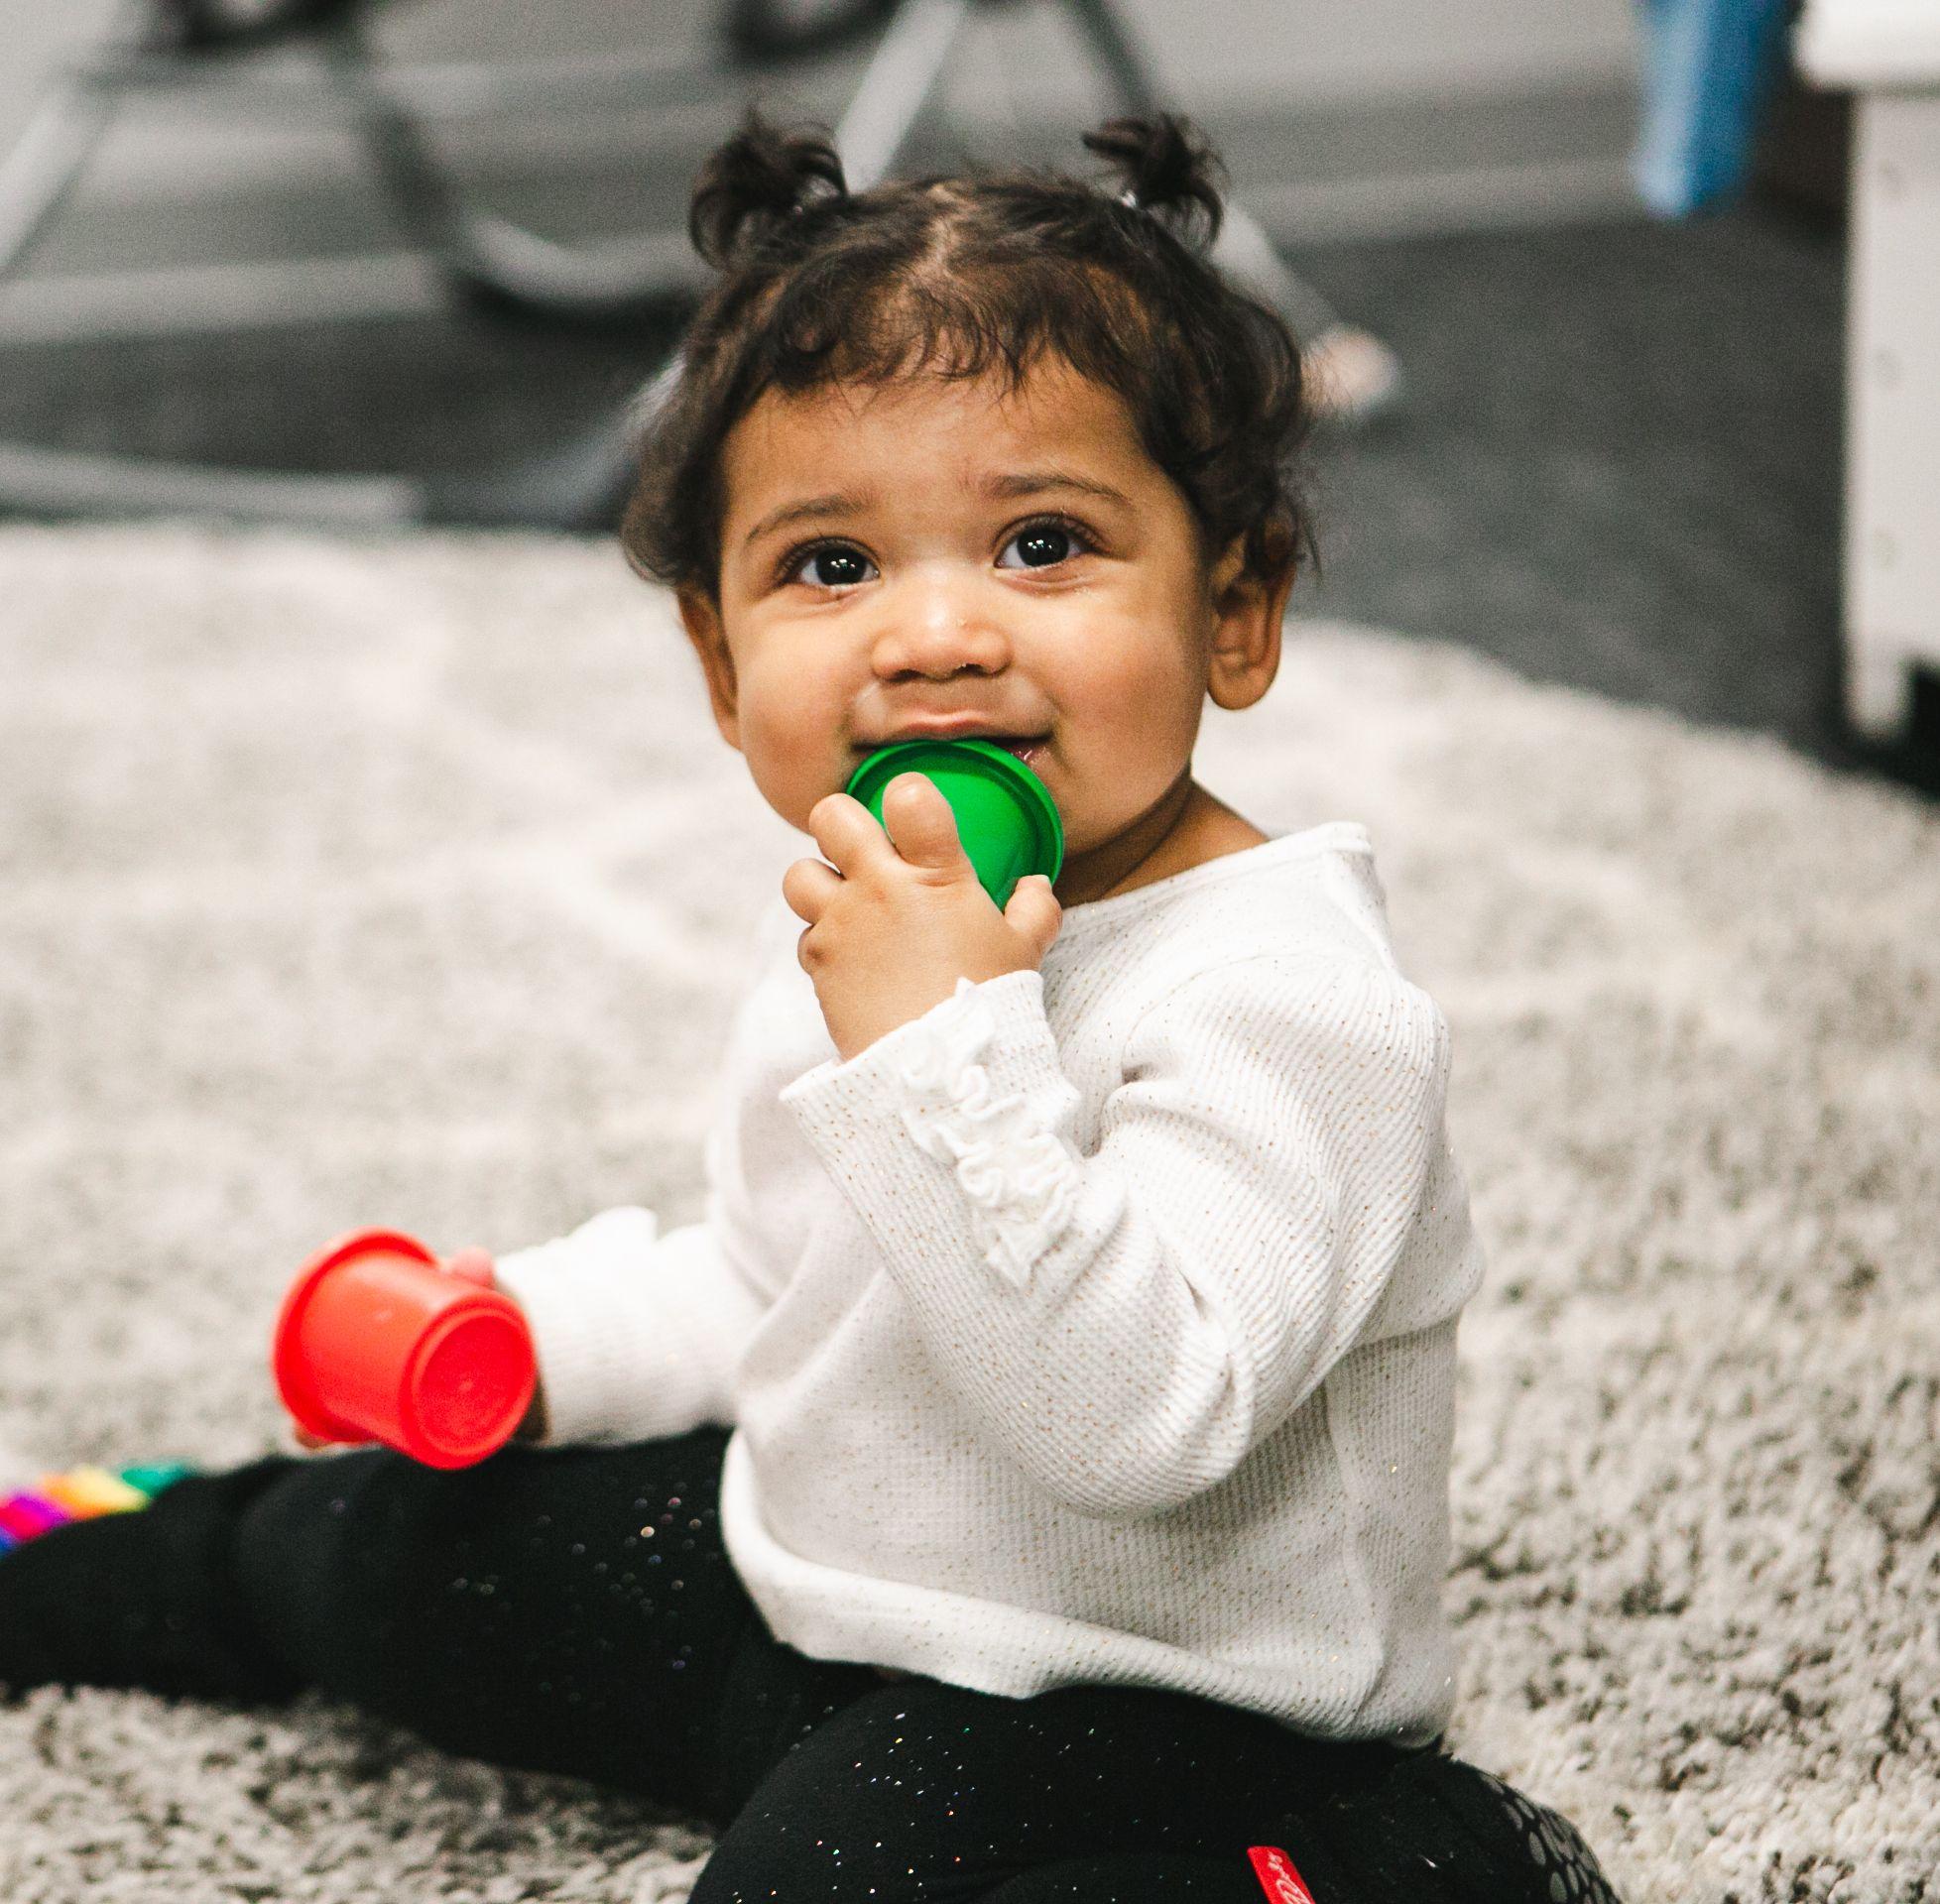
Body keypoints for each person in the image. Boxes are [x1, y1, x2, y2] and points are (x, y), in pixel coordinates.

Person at [0, 112, 1625, 1904]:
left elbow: (1147, 1426)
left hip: (1164, 1699)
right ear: (719, 661)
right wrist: (534, 1340)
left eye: (1042, 543)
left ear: (1234, 610)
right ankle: (155, 1545)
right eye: (832, 567)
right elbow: (783, 1285)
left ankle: (1427, 1861)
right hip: (823, 1593)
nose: (932, 634)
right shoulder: (875, 932)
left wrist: (942, 1042)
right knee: (408, 1553)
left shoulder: (1295, 1004)